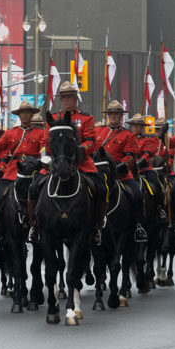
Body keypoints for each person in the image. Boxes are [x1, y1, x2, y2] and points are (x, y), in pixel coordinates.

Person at [29, 80, 107, 241]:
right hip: (57, 163)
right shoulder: (53, 119)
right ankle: (35, 226)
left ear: (75, 98)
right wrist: (47, 158)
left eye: (70, 97)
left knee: (101, 187)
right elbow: (45, 142)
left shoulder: (86, 118)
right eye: (64, 98)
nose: (67, 100)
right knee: (33, 187)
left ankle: (97, 226)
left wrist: (78, 150)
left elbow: (91, 142)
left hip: (81, 163)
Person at [95, 101, 147, 241]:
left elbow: (130, 156)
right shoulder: (99, 131)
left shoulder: (128, 135)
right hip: (99, 172)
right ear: (108, 115)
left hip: (120, 173)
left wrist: (120, 167)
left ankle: (138, 227)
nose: (114, 116)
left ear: (121, 116)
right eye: (111, 113)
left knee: (137, 195)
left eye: (117, 114)